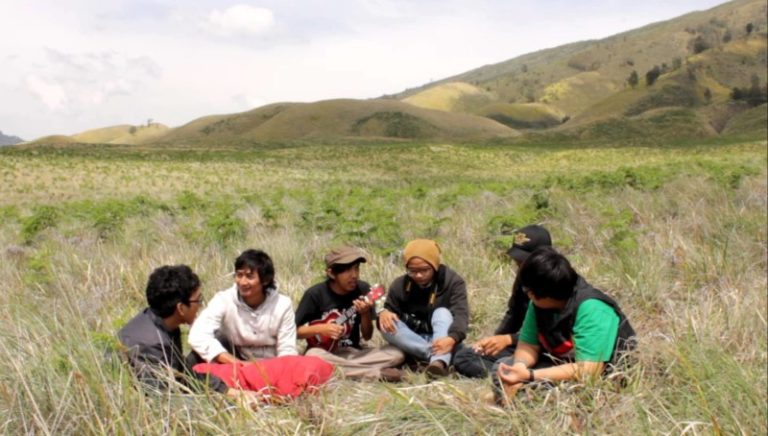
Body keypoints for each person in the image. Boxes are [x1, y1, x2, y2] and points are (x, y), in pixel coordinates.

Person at [494, 246, 636, 404]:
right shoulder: (539, 304)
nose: (527, 294)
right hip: (562, 364)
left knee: (536, 393)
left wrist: (529, 376)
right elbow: (528, 344)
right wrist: (520, 367)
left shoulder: (591, 308)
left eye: (527, 290)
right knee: (502, 367)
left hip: (598, 376)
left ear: (535, 293)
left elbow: (589, 371)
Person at [117, 264, 233, 395]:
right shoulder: (150, 345)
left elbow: (185, 373)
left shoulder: (164, 323)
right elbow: (162, 401)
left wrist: (229, 391)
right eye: (197, 300)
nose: (200, 305)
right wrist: (228, 404)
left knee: (219, 337)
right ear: (181, 308)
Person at [454, 225, 552, 378]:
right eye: (517, 261)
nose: (519, 266)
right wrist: (494, 341)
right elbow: (514, 313)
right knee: (464, 356)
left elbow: (552, 331)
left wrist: (508, 339)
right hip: (522, 344)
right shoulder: (523, 278)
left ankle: (522, 375)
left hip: (548, 348)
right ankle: (510, 373)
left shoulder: (557, 281)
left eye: (524, 261)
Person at [295, 246, 406, 382]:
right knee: (312, 356)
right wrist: (321, 329)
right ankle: (376, 374)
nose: (354, 275)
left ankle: (344, 370)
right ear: (331, 273)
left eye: (356, 268)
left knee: (396, 354)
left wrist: (365, 314)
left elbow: (367, 335)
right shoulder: (315, 294)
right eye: (347, 270)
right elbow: (294, 331)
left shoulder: (363, 289)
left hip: (354, 353)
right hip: (325, 353)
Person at [377, 239, 469, 378]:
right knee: (385, 325)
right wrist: (383, 313)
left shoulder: (452, 282)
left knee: (442, 313)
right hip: (412, 339)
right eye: (412, 271)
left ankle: (433, 362)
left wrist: (452, 339)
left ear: (435, 265)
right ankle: (438, 359)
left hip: (442, 337)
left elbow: (461, 315)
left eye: (424, 270)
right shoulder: (399, 285)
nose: (418, 275)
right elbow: (390, 309)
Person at [188, 249, 297, 364]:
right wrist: (236, 363)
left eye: (249, 277)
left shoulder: (283, 305)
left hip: (272, 365)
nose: (243, 282)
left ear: (265, 280)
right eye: (239, 275)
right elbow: (197, 334)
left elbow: (287, 350)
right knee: (198, 355)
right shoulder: (224, 300)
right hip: (234, 363)